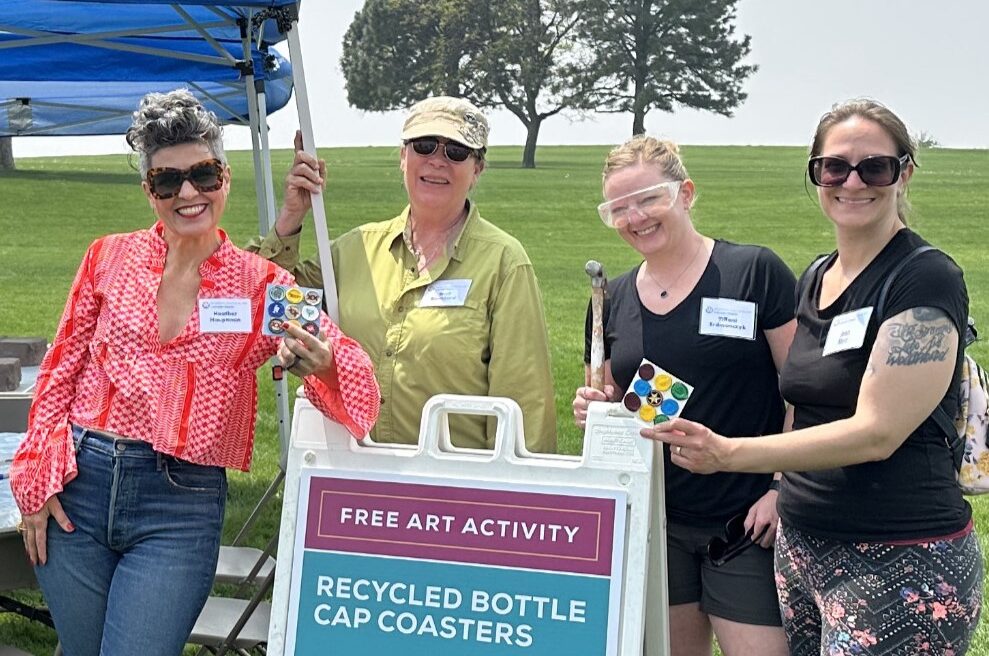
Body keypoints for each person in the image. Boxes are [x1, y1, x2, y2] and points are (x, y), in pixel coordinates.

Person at [9, 89, 380, 656]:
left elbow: (346, 371)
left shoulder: (264, 286)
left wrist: (323, 363)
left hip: (179, 506)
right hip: (77, 490)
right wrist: (35, 478)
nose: (188, 193)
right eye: (167, 181)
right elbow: (61, 368)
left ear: (225, 177)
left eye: (202, 174)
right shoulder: (106, 257)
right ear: (148, 191)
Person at [649, 100, 983, 655]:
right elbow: (802, 398)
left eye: (873, 167)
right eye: (834, 167)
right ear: (816, 174)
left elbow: (877, 433)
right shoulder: (818, 275)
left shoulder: (924, 277)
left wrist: (730, 454)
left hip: (897, 554)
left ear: (904, 173)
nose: (852, 182)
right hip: (804, 549)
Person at [572, 135, 795, 656]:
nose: (636, 217)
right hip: (657, 523)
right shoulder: (611, 298)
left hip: (748, 520)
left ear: (686, 193)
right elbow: (611, 399)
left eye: (649, 198)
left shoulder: (754, 273)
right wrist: (595, 411)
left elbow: (801, 393)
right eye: (618, 208)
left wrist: (784, 489)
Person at [249, 96, 556, 452]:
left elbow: (523, 403)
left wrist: (515, 498)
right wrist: (291, 216)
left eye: (457, 151)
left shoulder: (504, 262)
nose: (438, 160)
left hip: (455, 487)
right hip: (358, 481)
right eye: (424, 146)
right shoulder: (354, 250)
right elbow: (262, 304)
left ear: (478, 169)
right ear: (402, 157)